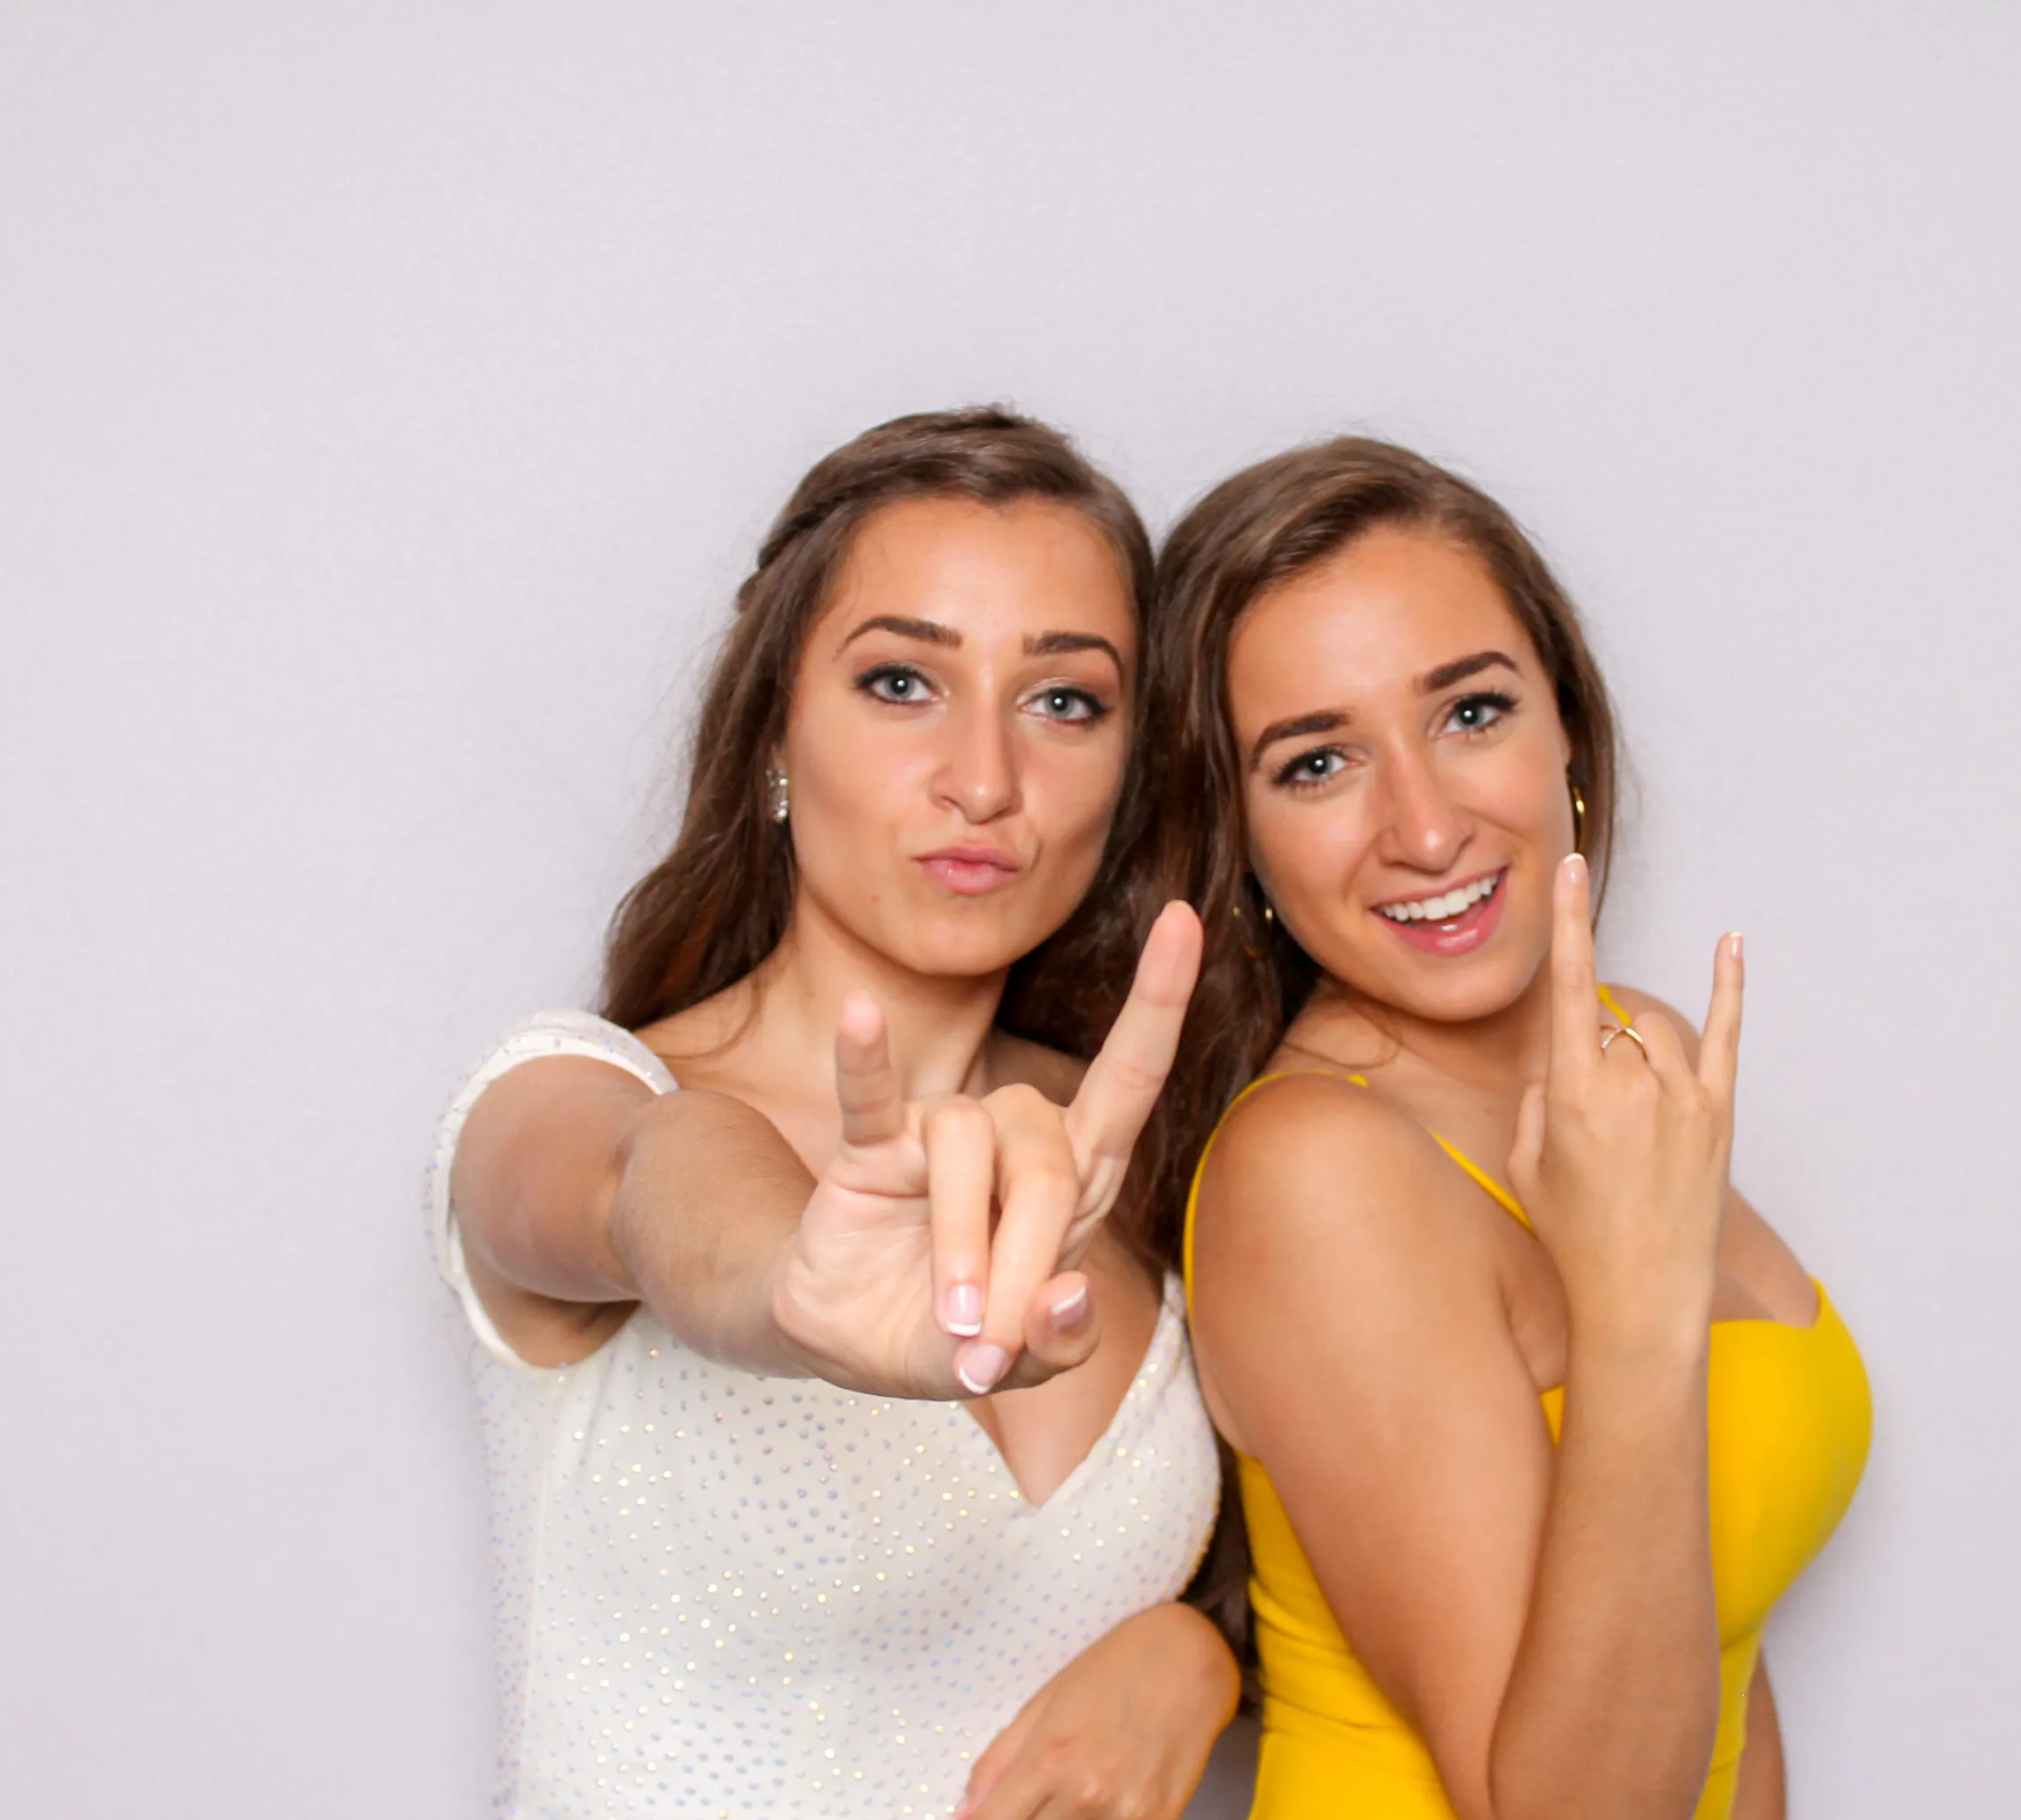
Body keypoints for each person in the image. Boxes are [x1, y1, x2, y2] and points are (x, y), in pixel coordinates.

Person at [428, 408, 1235, 1819]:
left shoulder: (1120, 1140)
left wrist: (1203, 1654)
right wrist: (783, 1284)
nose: (984, 780)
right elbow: (653, 1182)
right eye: (901, 682)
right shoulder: (573, 1100)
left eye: (1064, 701)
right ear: (773, 738)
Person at [1132, 438, 1872, 1820]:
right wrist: (1632, 1318)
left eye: (1471, 713)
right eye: (1316, 763)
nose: (1425, 829)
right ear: (1238, 839)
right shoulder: (1317, 1173)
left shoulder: (1632, 1053)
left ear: (1565, 727)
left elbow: (1723, 1643)